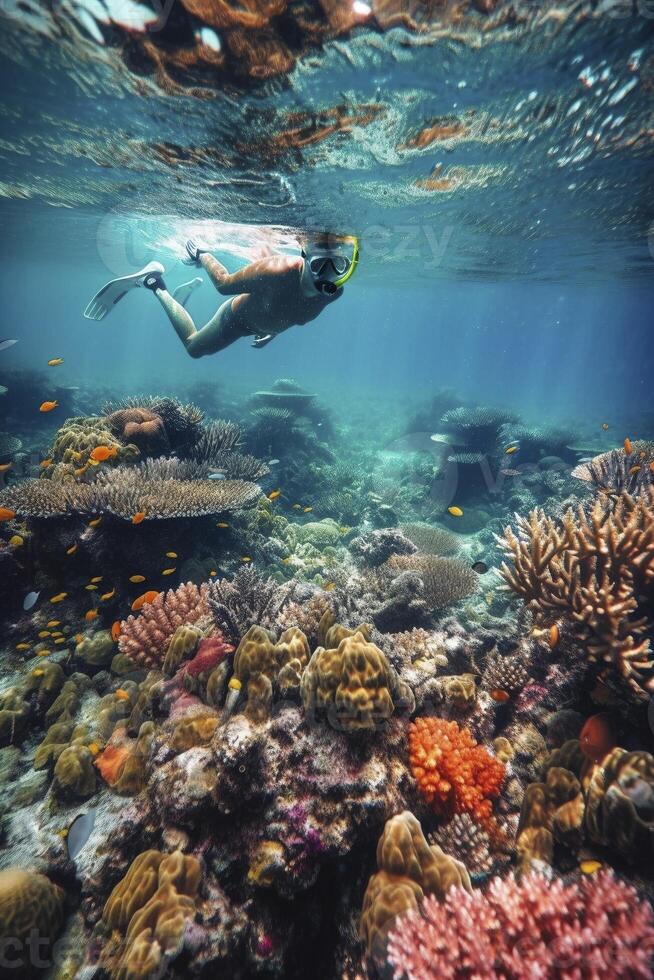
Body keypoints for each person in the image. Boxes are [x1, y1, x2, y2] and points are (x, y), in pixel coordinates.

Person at [84, 233, 358, 356]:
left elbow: (294, 312)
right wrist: (203, 254)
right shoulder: (277, 271)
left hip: (259, 326)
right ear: (304, 256)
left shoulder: (333, 293)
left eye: (338, 267)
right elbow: (225, 284)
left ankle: (175, 292)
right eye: (319, 264)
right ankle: (155, 283)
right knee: (193, 349)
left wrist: (274, 332)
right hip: (236, 320)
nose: (327, 275)